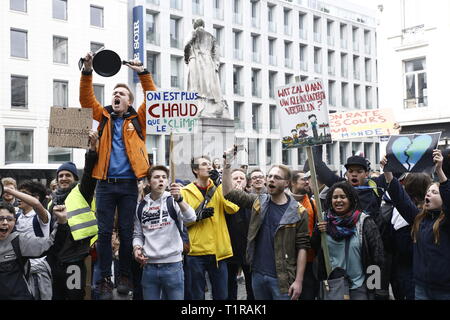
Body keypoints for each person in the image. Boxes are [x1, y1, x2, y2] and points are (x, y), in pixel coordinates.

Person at [79, 52, 157, 299]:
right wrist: (88, 69)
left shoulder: (139, 120)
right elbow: (85, 98)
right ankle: (103, 278)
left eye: (122, 93)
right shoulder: (102, 117)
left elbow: (152, 97)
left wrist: (142, 72)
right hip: (104, 184)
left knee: (125, 231)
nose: (116, 95)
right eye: (114, 93)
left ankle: (125, 275)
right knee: (103, 232)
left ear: (130, 100)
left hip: (128, 186)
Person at [222, 149, 310, 300]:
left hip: (282, 279)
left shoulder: (299, 211)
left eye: (277, 177)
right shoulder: (259, 202)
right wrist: (227, 164)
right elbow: (229, 194)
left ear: (287, 183)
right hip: (257, 275)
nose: (271, 180)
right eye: (269, 176)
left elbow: (302, 247)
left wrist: (299, 281)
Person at [382, 150, 450, 300]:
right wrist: (388, 173)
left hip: (444, 290)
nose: (428, 194)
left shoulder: (446, 222)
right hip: (420, 287)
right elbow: (401, 200)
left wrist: (439, 171)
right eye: (428, 191)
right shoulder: (419, 219)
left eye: (434, 192)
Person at [46, 131, 99, 300]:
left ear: (75, 178)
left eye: (67, 175)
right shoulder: (51, 203)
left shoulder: (81, 192)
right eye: (60, 175)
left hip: (74, 261)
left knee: (75, 296)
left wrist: (92, 149)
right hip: (55, 261)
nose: (63, 178)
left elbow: (90, 175)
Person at [312, 182, 384, 300]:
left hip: (359, 287)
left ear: (351, 199)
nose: (338, 200)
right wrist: (318, 232)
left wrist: (374, 290)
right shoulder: (323, 220)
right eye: (335, 197)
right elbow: (314, 247)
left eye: (343, 197)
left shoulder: (364, 222)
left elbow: (377, 257)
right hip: (332, 286)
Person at [180, 156, 239, 300]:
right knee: (196, 296)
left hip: (218, 251)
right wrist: (197, 216)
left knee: (221, 296)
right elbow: (180, 222)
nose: (209, 167)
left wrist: (220, 185)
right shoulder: (185, 192)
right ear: (195, 170)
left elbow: (233, 208)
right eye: (204, 164)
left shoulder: (218, 187)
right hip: (196, 252)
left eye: (210, 164)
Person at [133, 165, 196, 300]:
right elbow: (138, 234)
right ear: (149, 182)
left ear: (167, 181)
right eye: (156, 177)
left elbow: (191, 218)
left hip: (173, 266)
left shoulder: (173, 201)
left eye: (164, 177)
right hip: (149, 267)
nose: (161, 180)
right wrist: (136, 248)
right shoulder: (141, 206)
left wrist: (179, 199)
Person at [0, 202, 65, 300]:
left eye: (9, 219)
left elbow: (51, 245)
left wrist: (62, 221)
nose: (5, 222)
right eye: (1, 219)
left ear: (15, 221)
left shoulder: (19, 242)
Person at [3, 181, 52, 300]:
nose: (18, 196)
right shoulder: (17, 216)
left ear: (35, 197)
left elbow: (36, 204)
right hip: (20, 270)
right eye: (18, 193)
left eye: (23, 194)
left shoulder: (42, 216)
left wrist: (8, 190)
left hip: (37, 270)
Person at [184, 18, 229, 118]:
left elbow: (186, 45)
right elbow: (216, 54)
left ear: (195, 25)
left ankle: (199, 106)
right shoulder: (211, 36)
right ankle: (209, 104)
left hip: (196, 60)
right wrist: (216, 65)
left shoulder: (193, 33)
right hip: (209, 62)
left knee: (196, 85)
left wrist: (187, 59)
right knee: (209, 85)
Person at [224, 169, 254, 300]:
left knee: (251, 285)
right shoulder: (223, 199)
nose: (238, 180)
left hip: (249, 249)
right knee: (230, 285)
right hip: (230, 249)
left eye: (241, 178)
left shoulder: (253, 199)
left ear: (247, 182)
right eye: (235, 178)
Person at [290, 171, 319, 300]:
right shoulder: (283, 202)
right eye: (303, 179)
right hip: (289, 260)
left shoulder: (313, 203)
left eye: (308, 179)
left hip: (309, 259)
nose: (307, 182)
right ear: (292, 183)